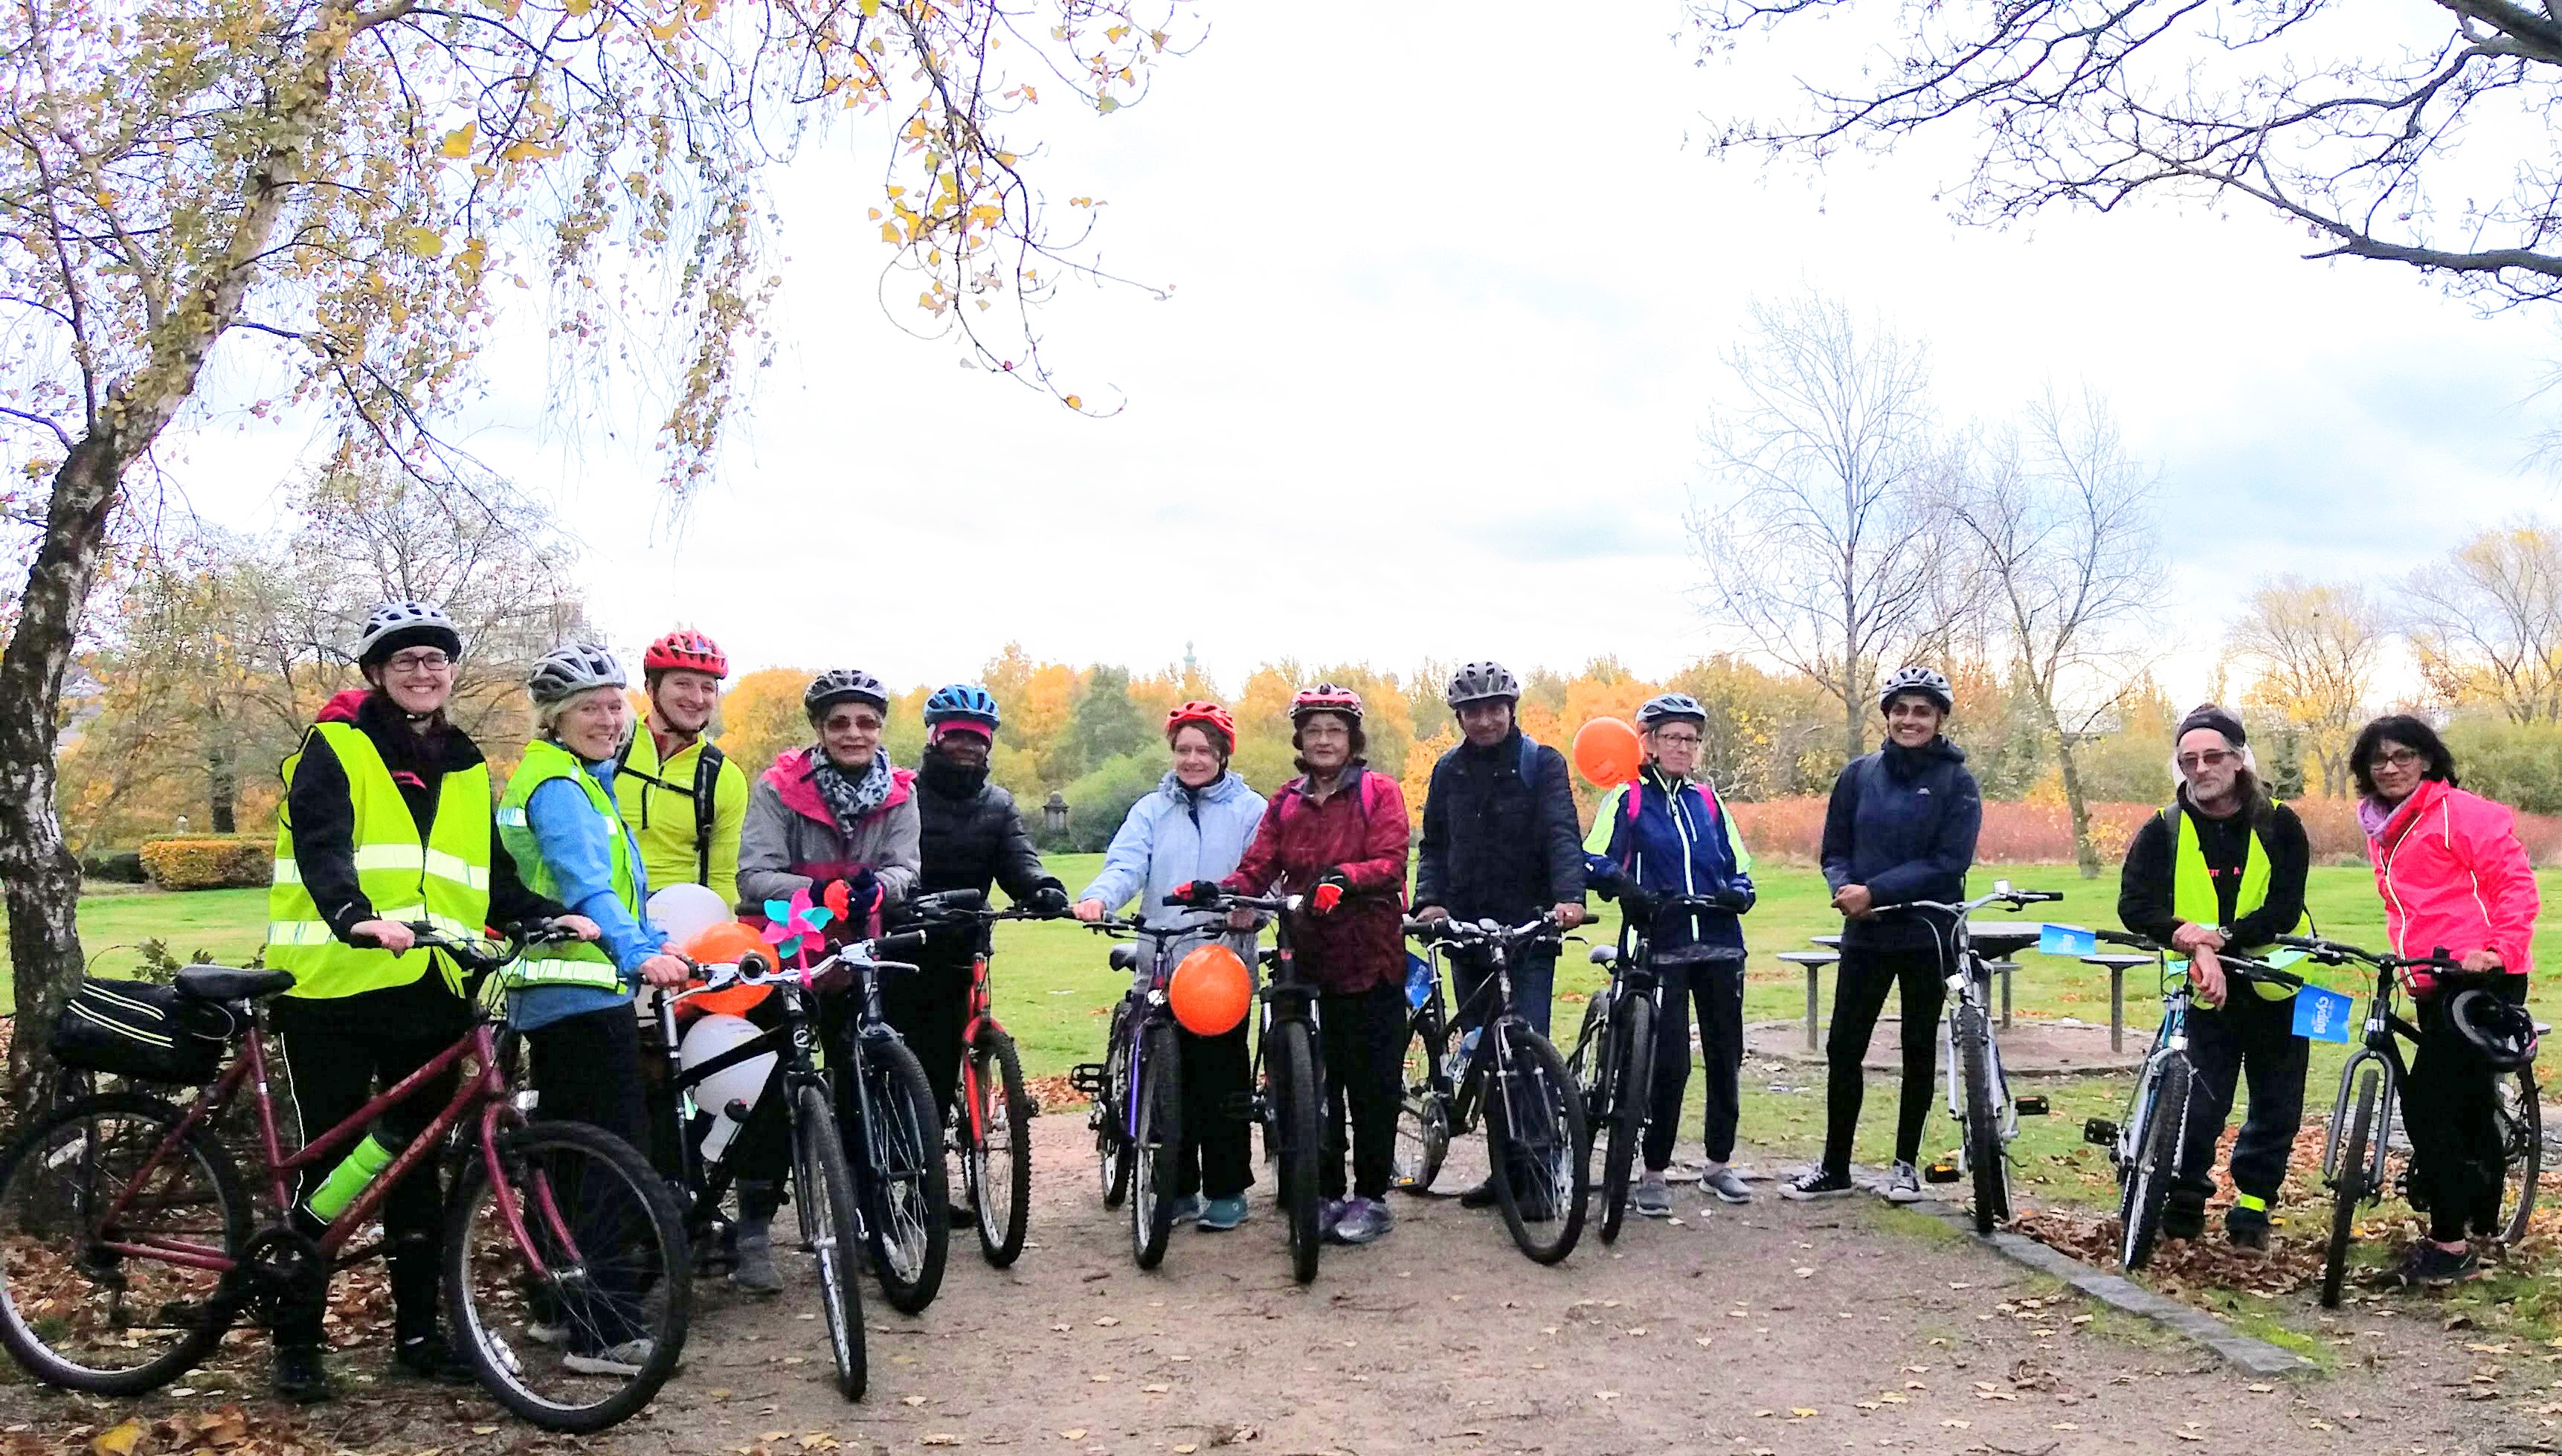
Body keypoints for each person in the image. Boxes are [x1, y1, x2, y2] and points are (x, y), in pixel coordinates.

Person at [263, 602, 590, 1402]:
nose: (422, 672)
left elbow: (486, 873)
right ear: (377, 673)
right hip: (334, 985)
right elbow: (321, 841)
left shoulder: (468, 760)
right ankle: (296, 1336)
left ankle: (418, 1334)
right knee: (332, 1161)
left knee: (416, 1166)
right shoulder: (335, 742)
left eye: (435, 660)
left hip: (434, 986)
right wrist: (351, 915)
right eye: (405, 660)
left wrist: (540, 914)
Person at [495, 642, 691, 1376]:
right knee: (613, 1157)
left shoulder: (576, 778)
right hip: (577, 995)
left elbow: (611, 895)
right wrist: (636, 954)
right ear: (554, 719)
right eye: (590, 707)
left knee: (567, 1158)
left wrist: (654, 940)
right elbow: (585, 888)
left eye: (615, 704)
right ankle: (602, 1331)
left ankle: (557, 1309)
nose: (610, 718)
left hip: (561, 994)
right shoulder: (562, 787)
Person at [736, 667, 923, 1271]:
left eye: (866, 722)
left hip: (856, 951)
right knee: (772, 1083)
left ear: (880, 729)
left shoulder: (900, 790)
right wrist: (824, 892)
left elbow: (905, 868)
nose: (853, 733)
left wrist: (877, 890)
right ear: (819, 728)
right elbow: (753, 875)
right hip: (786, 948)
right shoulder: (778, 787)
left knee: (863, 1083)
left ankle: (872, 1220)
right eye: (839, 723)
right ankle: (755, 1226)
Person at [2351, 715, 2541, 1287]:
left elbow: (2513, 884)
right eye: (2377, 760)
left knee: (2432, 1103)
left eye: (2402, 756)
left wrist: (2496, 949)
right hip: (2431, 977)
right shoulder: (2381, 825)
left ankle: (2448, 1244)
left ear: (2427, 760)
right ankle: (2481, 1218)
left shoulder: (2462, 814)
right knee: (2462, 1101)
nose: (2388, 768)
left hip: (2481, 976)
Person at [1219, 685, 1411, 1246]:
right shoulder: (1286, 800)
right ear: (1299, 739)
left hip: (1369, 956)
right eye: (1313, 731)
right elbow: (1260, 864)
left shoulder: (1379, 792)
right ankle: (1322, 1191)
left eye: (1334, 730)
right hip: (1304, 958)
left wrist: (1345, 878)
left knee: (1369, 1086)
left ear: (1352, 740)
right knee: (1308, 1084)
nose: (1323, 740)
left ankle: (1370, 1196)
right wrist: (1228, 891)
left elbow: (1391, 861)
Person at [2115, 704, 2311, 1252]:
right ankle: (2185, 1194)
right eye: (2187, 760)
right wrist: (2188, 939)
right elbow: (2134, 906)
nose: (2200, 769)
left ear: (2238, 759)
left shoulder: (2280, 822)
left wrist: (2218, 939)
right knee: (2198, 1102)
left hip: (2272, 984)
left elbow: (2284, 909)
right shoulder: (2162, 829)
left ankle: (2253, 1205)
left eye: (2211, 756)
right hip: (2200, 992)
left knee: (2276, 1105)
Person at [1786, 666, 1983, 1204]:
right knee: (1843, 1047)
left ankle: (1904, 1167)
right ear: (1887, 715)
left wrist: (1873, 891)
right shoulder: (1858, 774)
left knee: (1917, 1050)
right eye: (1900, 709)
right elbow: (1834, 848)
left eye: (1921, 711)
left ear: (1939, 718)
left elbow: (1948, 862)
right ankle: (1834, 1167)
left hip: (1925, 933)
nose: (1909, 719)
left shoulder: (1956, 782)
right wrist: (1844, 889)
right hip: (1866, 934)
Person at [1074, 701, 1268, 1231]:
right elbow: (1126, 863)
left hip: (1220, 965)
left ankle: (1227, 1188)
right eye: (1183, 749)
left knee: (1221, 1082)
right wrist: (1099, 898)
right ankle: (1173, 1187)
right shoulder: (1150, 810)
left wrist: (1249, 908)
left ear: (1223, 753)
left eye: (1204, 749)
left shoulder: (1250, 810)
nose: (1192, 758)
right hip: (1159, 960)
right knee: (1162, 1083)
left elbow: (1264, 871)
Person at [1412, 661, 1586, 1208]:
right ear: (1458, 717)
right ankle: (1502, 1172)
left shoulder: (1542, 764)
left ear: (1511, 709)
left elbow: (1562, 831)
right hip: (1465, 928)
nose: (1484, 720)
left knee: (1526, 1054)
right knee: (1486, 1056)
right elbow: (1433, 844)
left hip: (1528, 929)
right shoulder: (1447, 771)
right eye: (1472, 712)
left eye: (1493, 709)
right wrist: (1429, 901)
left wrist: (1569, 898)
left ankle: (1535, 1179)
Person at [1582, 692, 1758, 1214]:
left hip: (1720, 943)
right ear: (1649, 743)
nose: (1683, 747)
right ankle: (1653, 1171)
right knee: (1669, 1064)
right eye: (1672, 737)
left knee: (1725, 1056)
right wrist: (1624, 887)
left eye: (1691, 739)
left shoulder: (1707, 801)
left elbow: (1738, 862)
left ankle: (1717, 1165)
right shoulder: (1628, 797)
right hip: (1661, 944)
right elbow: (1592, 856)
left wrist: (1739, 891)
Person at [906, 684, 1068, 1130]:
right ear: (935, 737)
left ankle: (935, 1170)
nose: (968, 746)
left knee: (944, 1053)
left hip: (965, 943)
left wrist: (1041, 888)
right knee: (912, 1061)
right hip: (906, 941)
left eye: (978, 737)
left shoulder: (997, 804)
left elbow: (1017, 859)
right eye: (957, 735)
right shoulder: (905, 796)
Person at [617, 628, 749, 898]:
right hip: (598, 913)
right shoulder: (611, 748)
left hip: (679, 917)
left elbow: (722, 878)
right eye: (683, 684)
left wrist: (722, 935)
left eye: (707, 688)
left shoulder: (725, 778)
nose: (697, 698)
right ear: (651, 689)